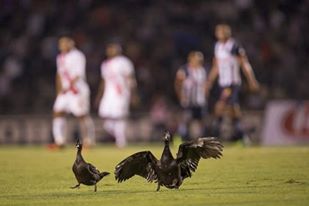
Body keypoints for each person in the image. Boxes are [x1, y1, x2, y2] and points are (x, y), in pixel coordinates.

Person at [206, 24, 259, 142]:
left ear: (226, 33)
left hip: (232, 83)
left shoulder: (234, 46)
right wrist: (209, 81)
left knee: (219, 106)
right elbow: (216, 66)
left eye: (220, 31)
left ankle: (214, 135)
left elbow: (244, 63)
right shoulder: (218, 46)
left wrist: (251, 79)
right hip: (222, 83)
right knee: (233, 110)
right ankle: (242, 136)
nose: (217, 33)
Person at [50, 35, 95, 149]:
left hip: (77, 90)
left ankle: (88, 141)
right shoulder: (60, 57)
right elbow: (59, 74)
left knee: (81, 115)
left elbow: (78, 74)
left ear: (71, 43)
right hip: (65, 92)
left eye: (65, 43)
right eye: (61, 44)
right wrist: (59, 91)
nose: (63, 46)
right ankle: (59, 141)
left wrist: (69, 86)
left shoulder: (77, 55)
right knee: (57, 112)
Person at [96, 42, 137, 148]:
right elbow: (103, 81)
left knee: (119, 117)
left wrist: (133, 94)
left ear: (118, 50)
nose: (110, 51)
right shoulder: (105, 64)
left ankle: (121, 141)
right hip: (108, 94)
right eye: (109, 49)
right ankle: (119, 136)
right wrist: (99, 96)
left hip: (121, 93)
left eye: (112, 49)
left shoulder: (124, 62)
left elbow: (130, 79)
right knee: (105, 117)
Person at [175, 51, 207, 140]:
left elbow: (204, 85)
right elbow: (177, 84)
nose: (200, 61)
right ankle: (182, 137)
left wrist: (205, 95)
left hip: (199, 100)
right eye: (198, 59)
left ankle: (201, 139)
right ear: (191, 59)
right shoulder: (184, 70)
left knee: (201, 120)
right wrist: (181, 96)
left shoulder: (202, 71)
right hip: (188, 100)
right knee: (186, 120)